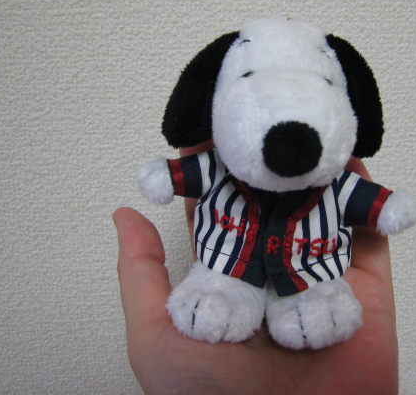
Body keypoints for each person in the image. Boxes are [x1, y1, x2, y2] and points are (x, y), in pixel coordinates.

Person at [114, 147, 399, 395]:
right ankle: (225, 287)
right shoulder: (218, 166)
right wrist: (166, 175)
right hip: (224, 265)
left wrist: (388, 206)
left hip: (314, 272)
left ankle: (308, 293)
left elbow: (374, 203)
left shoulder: (337, 182)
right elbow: (177, 175)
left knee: (317, 308)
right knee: (218, 296)